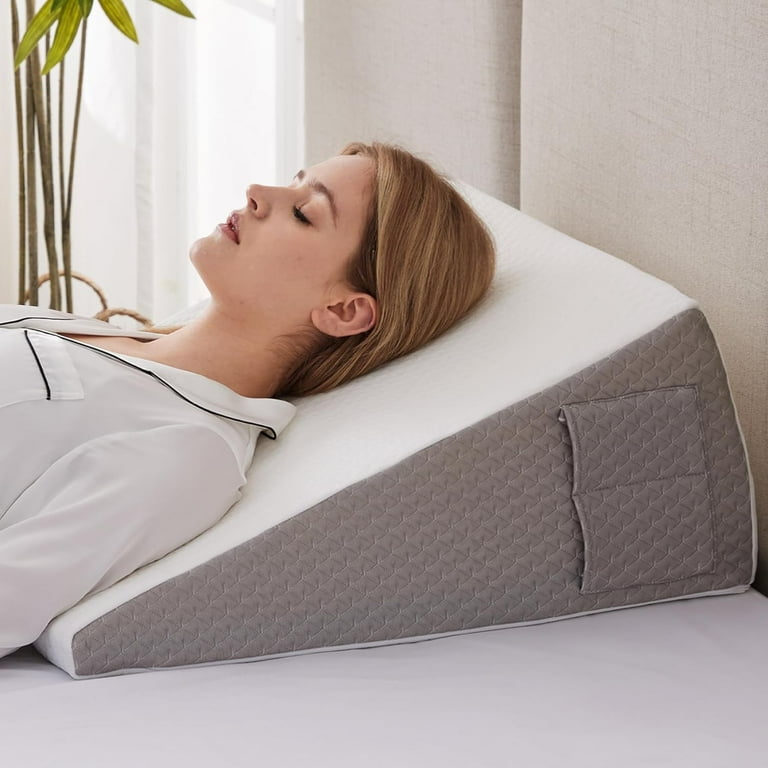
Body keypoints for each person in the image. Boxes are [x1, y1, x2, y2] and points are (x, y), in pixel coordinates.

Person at [0, 141, 495, 658]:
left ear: (345, 310)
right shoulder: (97, 336)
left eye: (304, 212)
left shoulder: (187, 448)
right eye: (293, 180)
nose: (258, 193)